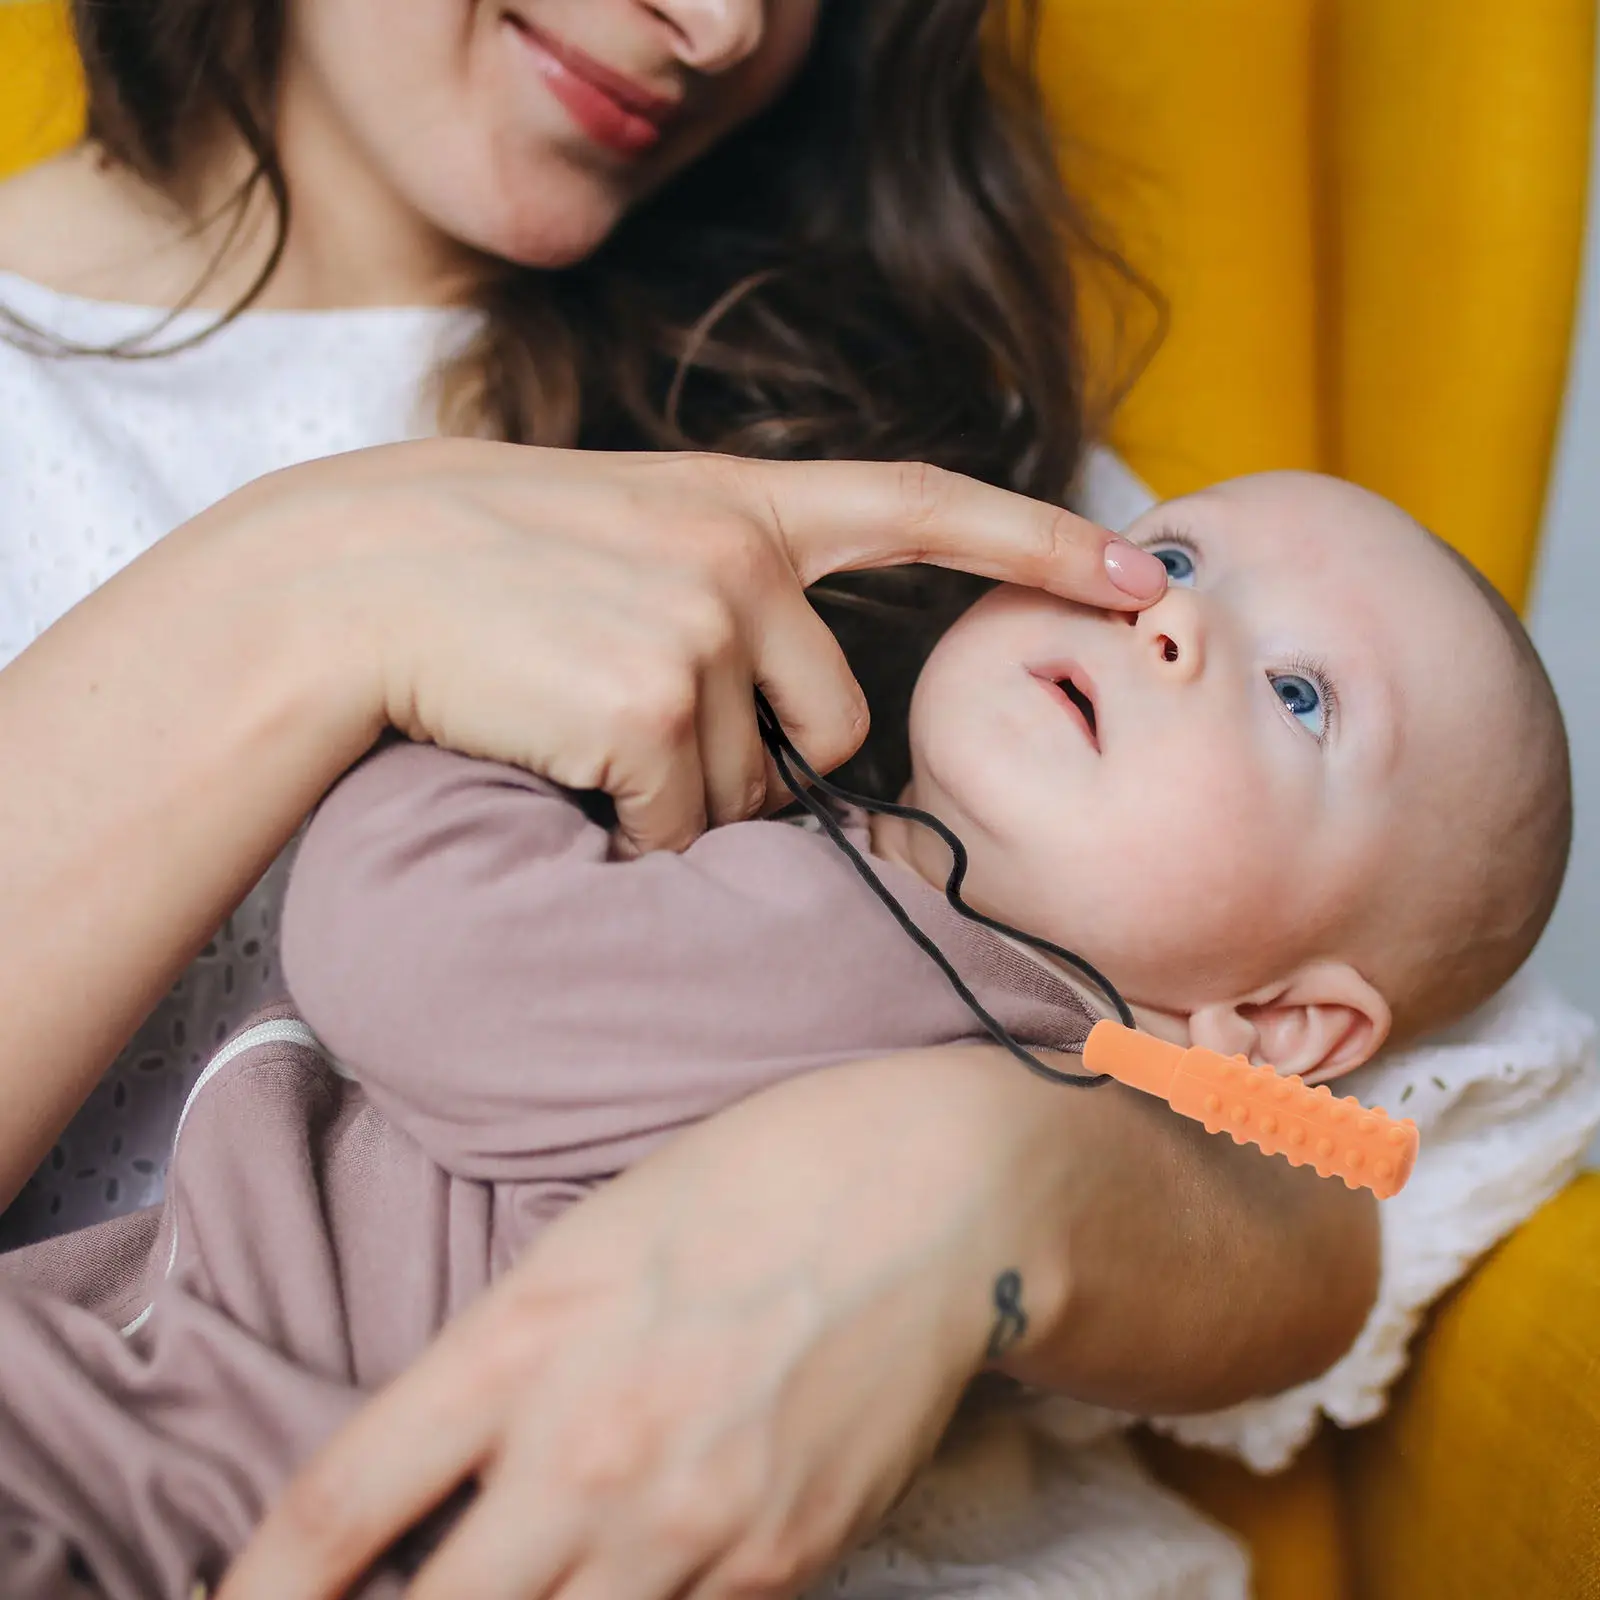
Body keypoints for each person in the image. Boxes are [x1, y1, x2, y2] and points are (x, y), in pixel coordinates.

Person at [0, 2, 1582, 1596]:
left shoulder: (899, 438)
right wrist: (316, 601)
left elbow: (1379, 1164)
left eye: (1297, 695)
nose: (718, 22)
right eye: (1170, 558)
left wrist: (984, 1179)